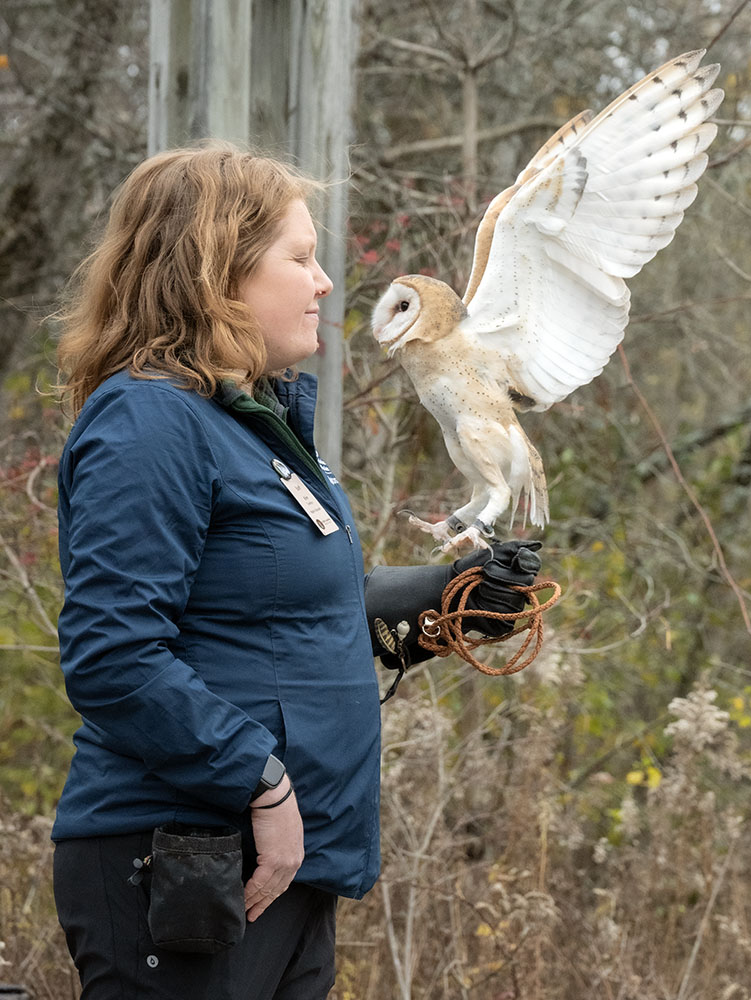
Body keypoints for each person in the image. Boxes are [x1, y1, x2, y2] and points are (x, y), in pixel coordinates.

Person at [51, 142, 542, 1000]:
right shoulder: (150, 423)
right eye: (302, 258)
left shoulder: (250, 424)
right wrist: (262, 783)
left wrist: (431, 603)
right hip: (180, 859)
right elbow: (112, 655)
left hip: (282, 862)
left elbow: (265, 614)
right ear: (217, 271)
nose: (324, 284)